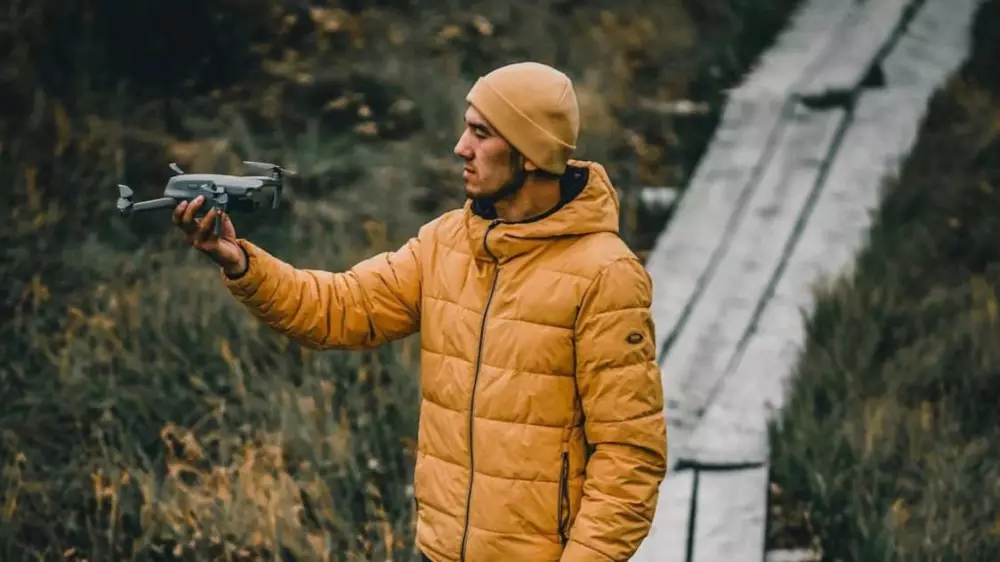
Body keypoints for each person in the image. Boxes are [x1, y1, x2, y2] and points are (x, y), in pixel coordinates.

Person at [173, 61, 668, 562]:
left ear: (531, 154)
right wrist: (241, 264)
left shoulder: (605, 275)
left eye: (481, 133)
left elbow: (630, 456)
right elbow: (338, 308)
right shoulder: (446, 242)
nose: (460, 147)